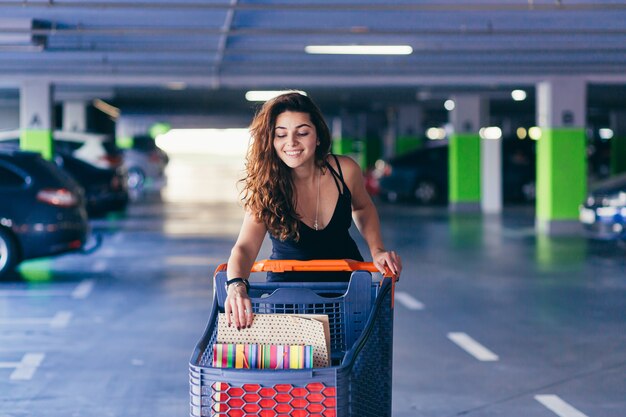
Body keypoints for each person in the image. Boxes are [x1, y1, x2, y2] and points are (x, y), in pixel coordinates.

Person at [225, 92, 402, 329]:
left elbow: (362, 206)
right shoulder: (266, 186)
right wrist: (236, 286)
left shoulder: (344, 170)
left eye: (302, 133)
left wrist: (377, 249)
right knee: (296, 366)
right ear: (271, 140)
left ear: (318, 136)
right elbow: (245, 247)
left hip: (346, 291)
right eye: (281, 135)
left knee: (349, 363)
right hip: (288, 298)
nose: (291, 142)